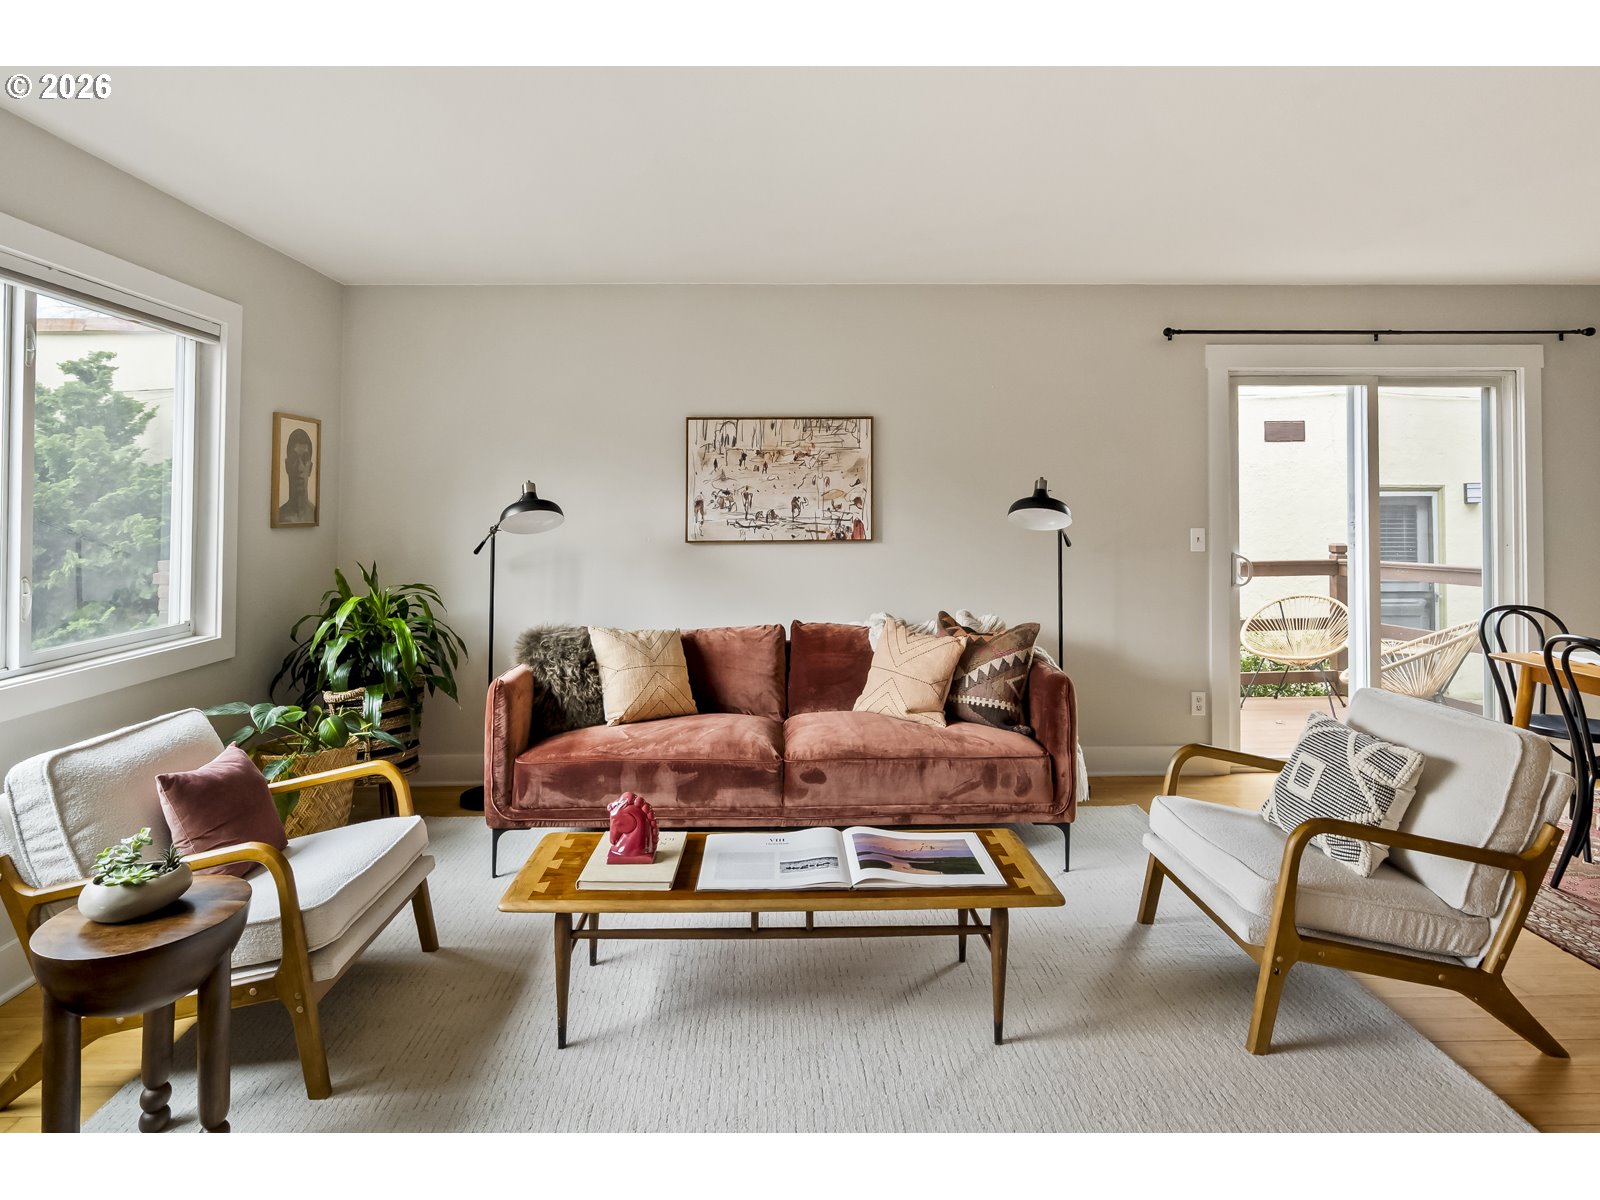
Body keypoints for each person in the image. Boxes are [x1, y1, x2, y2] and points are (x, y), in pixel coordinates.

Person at [277, 427, 316, 524]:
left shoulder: (316, 514)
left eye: (305, 459)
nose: (300, 468)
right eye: (294, 458)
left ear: (310, 468)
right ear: (287, 466)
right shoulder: (279, 516)